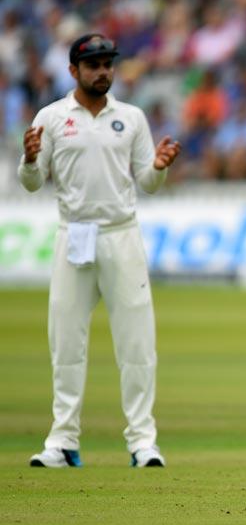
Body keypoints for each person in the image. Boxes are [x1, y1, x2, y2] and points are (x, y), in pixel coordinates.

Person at [19, 34, 181, 468]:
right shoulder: (52, 117)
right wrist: (30, 161)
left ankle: (143, 442)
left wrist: (159, 169)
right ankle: (63, 441)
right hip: (73, 233)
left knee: (137, 345)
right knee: (66, 342)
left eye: (108, 63)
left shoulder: (130, 118)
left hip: (121, 234)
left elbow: (146, 182)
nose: (103, 71)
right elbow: (33, 183)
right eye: (93, 65)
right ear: (73, 71)